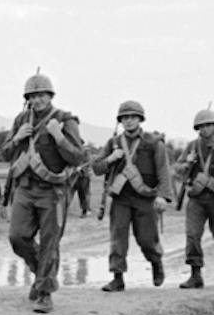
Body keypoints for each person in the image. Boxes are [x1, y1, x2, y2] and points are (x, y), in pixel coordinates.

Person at [0, 71, 85, 313]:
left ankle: (45, 292)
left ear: (50, 96)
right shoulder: (21, 120)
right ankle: (42, 275)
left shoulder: (65, 120)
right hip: (25, 189)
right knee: (17, 237)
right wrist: (17, 138)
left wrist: (59, 137)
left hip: (53, 191)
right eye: (33, 96)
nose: (37, 100)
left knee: (50, 242)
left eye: (42, 95)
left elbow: (78, 156)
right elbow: (4, 154)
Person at [90, 100, 172, 291]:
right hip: (121, 199)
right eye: (125, 118)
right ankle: (117, 277)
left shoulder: (153, 143)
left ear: (140, 119)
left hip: (146, 198)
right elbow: (97, 168)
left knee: (146, 238)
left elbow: (163, 170)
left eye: (132, 117)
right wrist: (112, 158)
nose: (128, 121)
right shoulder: (114, 143)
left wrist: (162, 196)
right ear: (120, 120)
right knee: (118, 237)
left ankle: (156, 263)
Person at [175, 105, 214, 288]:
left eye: (208, 125)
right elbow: (177, 169)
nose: (205, 129)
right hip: (197, 198)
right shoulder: (192, 146)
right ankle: (195, 274)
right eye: (201, 126)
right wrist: (187, 164)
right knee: (192, 234)